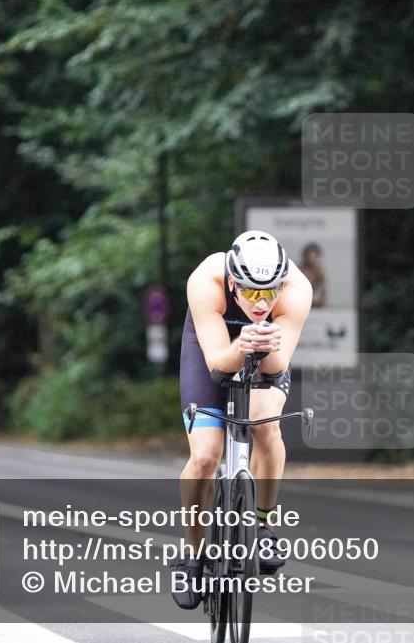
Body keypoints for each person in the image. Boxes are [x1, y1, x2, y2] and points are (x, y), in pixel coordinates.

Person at [173, 230, 312, 609]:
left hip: (266, 350)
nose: (261, 302)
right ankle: (192, 554)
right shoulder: (207, 281)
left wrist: (261, 344)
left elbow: (278, 365)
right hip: (213, 346)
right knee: (204, 455)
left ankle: (263, 524)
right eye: (251, 291)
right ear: (233, 281)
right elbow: (218, 363)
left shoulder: (296, 289)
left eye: (270, 293)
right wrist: (241, 345)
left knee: (266, 424)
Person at [299, 242, 327, 308]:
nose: (311, 259)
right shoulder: (299, 271)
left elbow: (323, 293)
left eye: (314, 257)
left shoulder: (319, 273)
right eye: (309, 257)